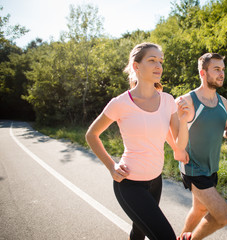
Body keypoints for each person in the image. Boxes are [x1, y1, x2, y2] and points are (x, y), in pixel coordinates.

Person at [85, 42, 190, 240]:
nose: (158, 65)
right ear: (136, 66)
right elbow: (91, 135)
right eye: (152, 60)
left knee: (139, 232)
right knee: (165, 236)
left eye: (160, 61)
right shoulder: (120, 103)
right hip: (129, 184)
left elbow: (179, 143)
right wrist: (111, 166)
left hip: (155, 182)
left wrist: (184, 121)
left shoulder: (168, 100)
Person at [176, 53, 227, 240]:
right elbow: (171, 133)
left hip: (211, 167)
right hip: (193, 167)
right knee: (222, 216)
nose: (222, 73)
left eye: (222, 69)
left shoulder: (224, 103)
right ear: (203, 73)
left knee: (199, 209)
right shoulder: (187, 101)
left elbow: (225, 130)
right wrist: (178, 150)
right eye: (216, 69)